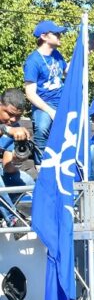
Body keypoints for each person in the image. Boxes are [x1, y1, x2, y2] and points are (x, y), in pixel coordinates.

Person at [23, 20, 68, 166]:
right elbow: (30, 94)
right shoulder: (33, 61)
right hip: (44, 104)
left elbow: (69, 72)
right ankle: (40, 166)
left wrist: (84, 52)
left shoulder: (57, 55)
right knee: (42, 129)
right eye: (56, 33)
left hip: (62, 102)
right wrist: (50, 111)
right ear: (44, 36)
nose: (60, 35)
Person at [0, 90, 33, 231]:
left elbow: (8, 169)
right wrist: (7, 130)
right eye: (9, 113)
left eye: (18, 116)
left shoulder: (14, 128)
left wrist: (18, 158)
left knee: (28, 181)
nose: (13, 119)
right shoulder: (10, 129)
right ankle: (13, 219)